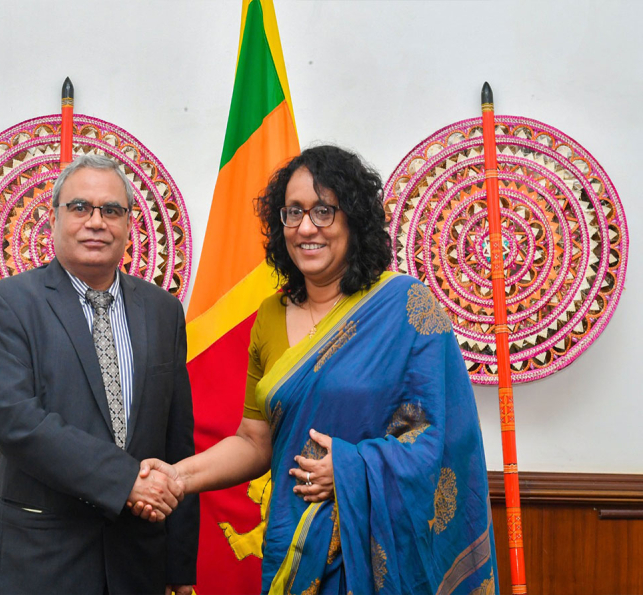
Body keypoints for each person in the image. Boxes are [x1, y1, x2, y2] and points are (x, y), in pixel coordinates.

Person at [134, 145, 499, 593]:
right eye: (293, 213)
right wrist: (177, 476)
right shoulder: (270, 315)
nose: (306, 227)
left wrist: (348, 469)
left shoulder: (405, 305)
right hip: (293, 544)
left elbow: (442, 440)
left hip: (380, 554)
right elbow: (254, 440)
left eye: (324, 211)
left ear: (354, 220)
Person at [0, 154, 199, 595]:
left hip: (139, 564)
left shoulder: (163, 310)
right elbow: (16, 422)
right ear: (54, 217)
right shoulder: (9, 304)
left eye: (111, 210)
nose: (96, 221)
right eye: (80, 207)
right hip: (40, 563)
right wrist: (126, 481)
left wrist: (179, 567)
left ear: (128, 224)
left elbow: (177, 439)